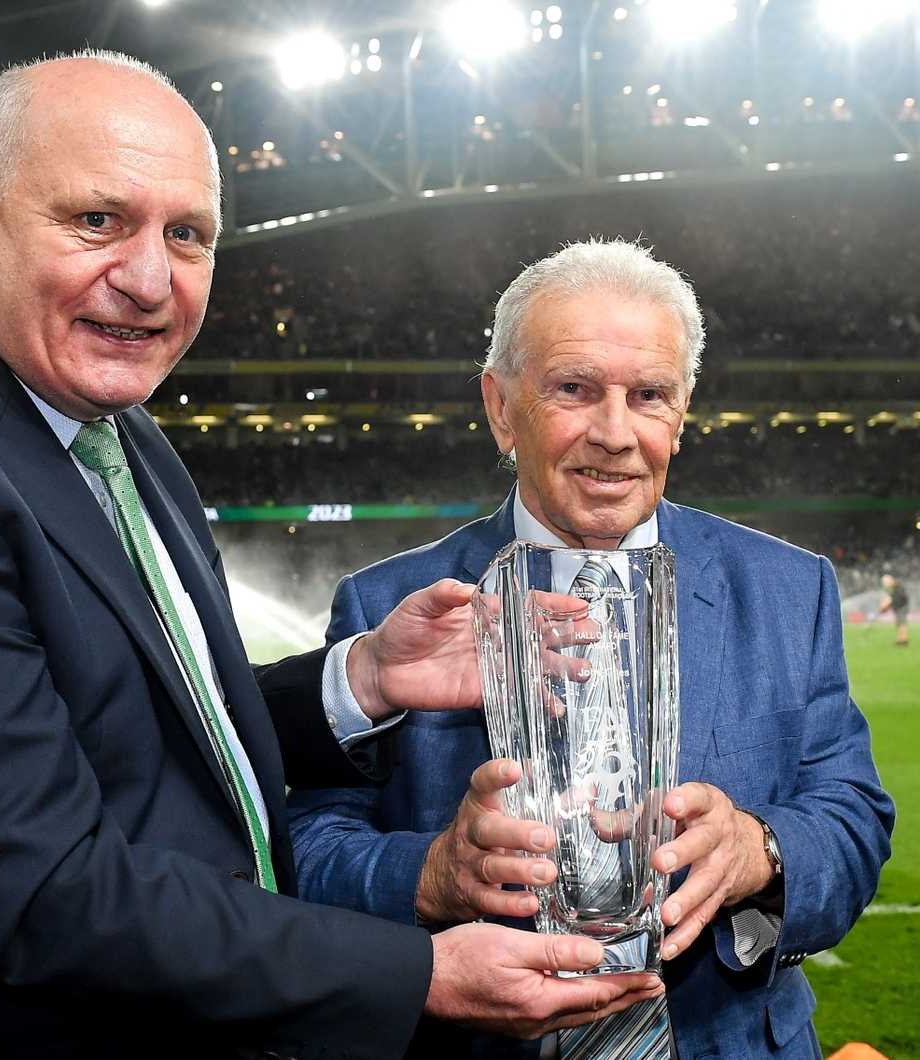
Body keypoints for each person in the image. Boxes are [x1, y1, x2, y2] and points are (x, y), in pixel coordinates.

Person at [0, 56, 663, 1060]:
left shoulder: (116, 431)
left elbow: (133, 726)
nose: (149, 278)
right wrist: (416, 972)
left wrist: (359, 679)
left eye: (187, 234)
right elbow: (45, 891)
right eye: (96, 221)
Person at [289, 239, 895, 1058]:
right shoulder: (389, 607)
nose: (615, 433)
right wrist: (432, 874)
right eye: (574, 389)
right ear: (501, 406)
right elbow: (302, 847)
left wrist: (761, 850)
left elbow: (852, 817)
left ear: (681, 413)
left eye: (649, 395)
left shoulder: (791, 590)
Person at [879, 572, 910, 646]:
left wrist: (887, 604)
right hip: (898, 607)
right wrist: (885, 605)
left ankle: (903, 639)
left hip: (902, 607)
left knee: (901, 623)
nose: (886, 585)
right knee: (899, 623)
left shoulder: (898, 586)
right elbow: (890, 598)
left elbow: (897, 598)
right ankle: (900, 639)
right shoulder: (892, 588)